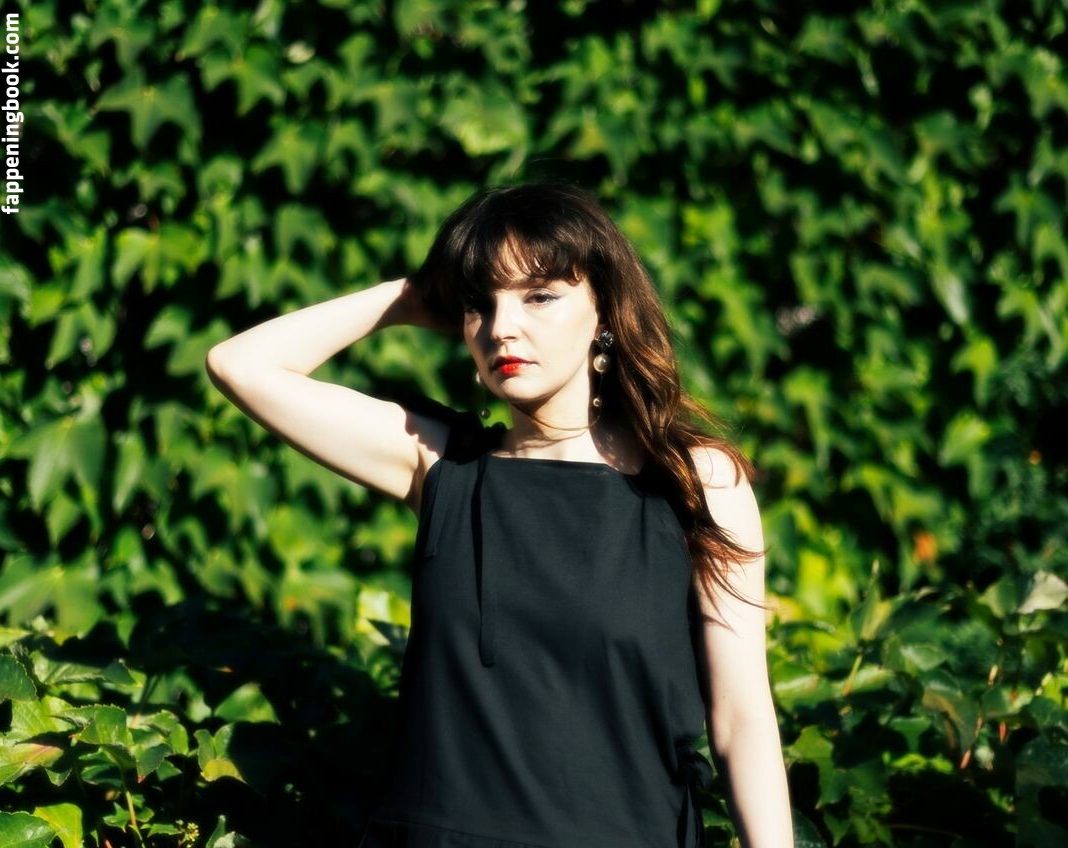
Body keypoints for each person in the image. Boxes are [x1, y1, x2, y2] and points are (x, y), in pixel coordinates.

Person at [206, 182, 793, 847]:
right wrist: (408, 296)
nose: (501, 327)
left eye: (539, 296)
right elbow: (239, 365)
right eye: (479, 304)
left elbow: (742, 720)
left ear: (604, 308)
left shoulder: (697, 482)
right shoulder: (438, 464)